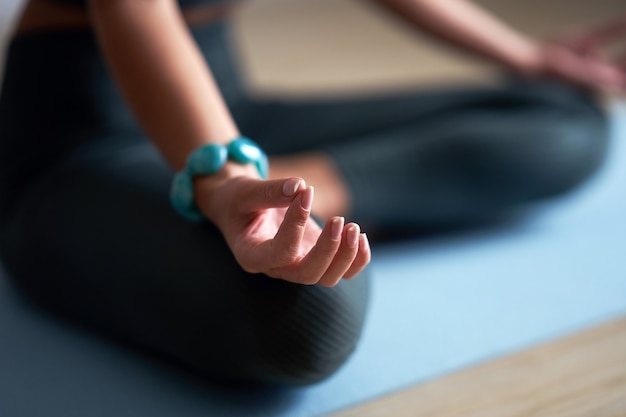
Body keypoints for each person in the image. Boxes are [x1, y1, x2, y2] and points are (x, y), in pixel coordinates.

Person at [0, 0, 623, 385]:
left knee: (566, 122)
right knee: (308, 319)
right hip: (80, 152)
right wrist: (226, 182)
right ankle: (273, 203)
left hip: (232, 114)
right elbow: (135, 9)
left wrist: (525, 56)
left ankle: (310, 189)